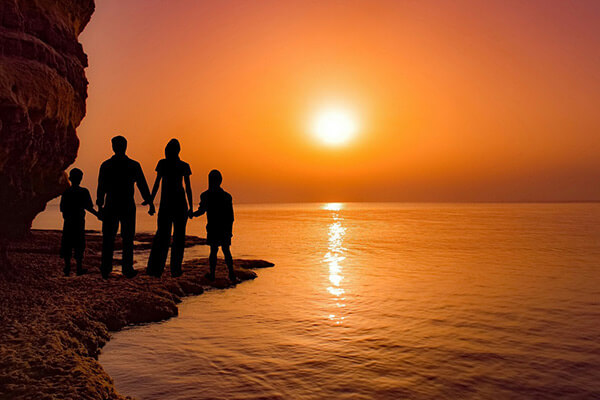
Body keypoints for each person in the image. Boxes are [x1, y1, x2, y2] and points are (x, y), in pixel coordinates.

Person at [96, 135, 153, 279]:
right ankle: (126, 268)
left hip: (112, 205)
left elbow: (101, 187)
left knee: (109, 237)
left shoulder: (106, 165)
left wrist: (100, 205)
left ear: (113, 147)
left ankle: (106, 268)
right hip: (126, 204)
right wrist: (150, 202)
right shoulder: (133, 165)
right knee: (127, 238)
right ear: (125, 147)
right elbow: (142, 185)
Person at [146, 139, 193, 278]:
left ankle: (159, 269)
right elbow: (187, 188)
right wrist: (150, 202)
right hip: (175, 205)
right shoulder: (179, 165)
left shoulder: (165, 164)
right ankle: (172, 269)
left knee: (164, 237)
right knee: (175, 238)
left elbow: (157, 185)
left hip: (170, 205)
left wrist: (151, 202)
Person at [193, 169, 237, 283]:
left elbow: (201, 211)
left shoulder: (206, 195)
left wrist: (192, 214)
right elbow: (231, 216)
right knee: (225, 250)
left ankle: (213, 274)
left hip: (214, 227)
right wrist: (229, 230)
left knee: (214, 251)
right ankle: (231, 273)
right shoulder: (227, 196)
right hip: (222, 228)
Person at [59, 168, 100, 276]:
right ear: (80, 179)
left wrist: (66, 216)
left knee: (67, 244)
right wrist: (98, 215)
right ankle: (78, 268)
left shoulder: (66, 192)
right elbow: (88, 207)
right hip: (78, 221)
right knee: (79, 244)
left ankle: (67, 268)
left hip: (68, 221)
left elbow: (62, 208)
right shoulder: (84, 191)